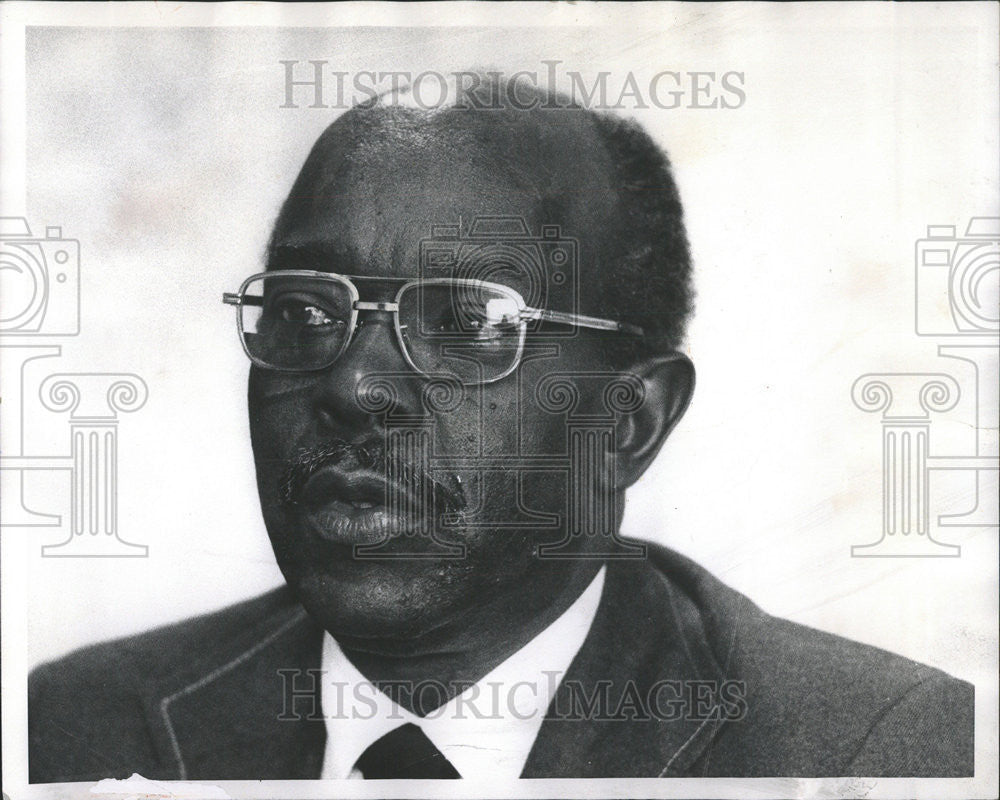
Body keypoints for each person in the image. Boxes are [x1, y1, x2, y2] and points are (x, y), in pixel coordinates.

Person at [29, 75, 973, 782]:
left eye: (469, 323)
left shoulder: (867, 754)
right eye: (309, 311)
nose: (353, 385)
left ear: (629, 420)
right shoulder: (80, 724)